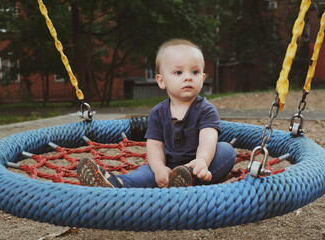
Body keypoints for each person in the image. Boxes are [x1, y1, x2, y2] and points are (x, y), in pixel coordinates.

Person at [77, 38, 236, 188]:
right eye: (178, 72)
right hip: (168, 167)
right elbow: (154, 146)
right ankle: (115, 182)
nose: (188, 77)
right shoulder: (158, 112)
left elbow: (208, 139)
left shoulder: (206, 109)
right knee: (145, 172)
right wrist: (159, 168)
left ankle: (187, 178)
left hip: (200, 166)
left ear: (202, 78)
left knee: (226, 151)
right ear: (161, 80)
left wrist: (202, 160)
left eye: (195, 72)